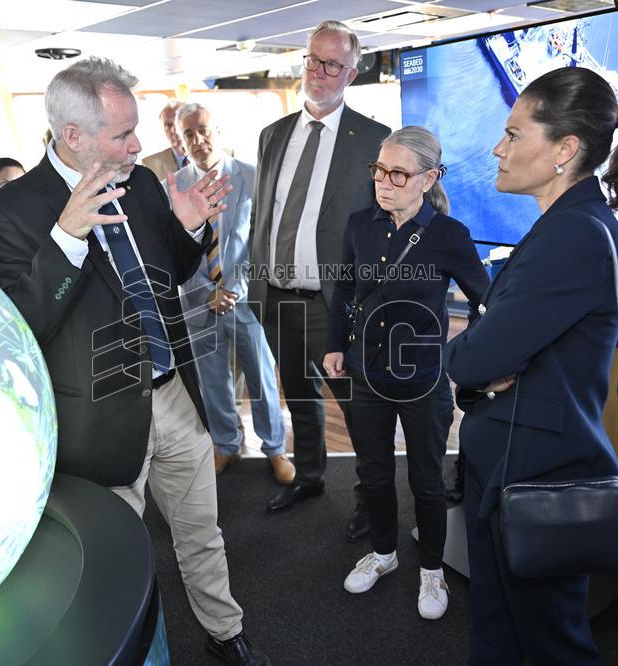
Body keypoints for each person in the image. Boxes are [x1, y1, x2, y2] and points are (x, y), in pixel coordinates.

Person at [0, 56, 270, 666]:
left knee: (201, 533)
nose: (139, 145)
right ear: (73, 135)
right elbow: (21, 326)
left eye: (136, 130)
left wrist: (187, 229)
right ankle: (144, 647)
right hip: (101, 418)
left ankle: (224, 632)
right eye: (123, 134)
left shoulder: (137, 183)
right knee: (115, 558)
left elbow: (170, 274)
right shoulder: (9, 212)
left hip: (173, 394)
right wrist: (65, 239)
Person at [443, 66, 618, 664]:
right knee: (501, 630)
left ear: (564, 150)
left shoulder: (574, 236)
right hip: (514, 458)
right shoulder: (567, 227)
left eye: (514, 134)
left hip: (535, 469)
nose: (498, 146)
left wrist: (472, 352)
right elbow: (496, 350)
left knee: (549, 644)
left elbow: (475, 357)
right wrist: (487, 352)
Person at [322, 126, 488, 620]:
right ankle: (384, 553)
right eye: (379, 170)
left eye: (399, 173)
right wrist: (335, 346)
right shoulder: (358, 225)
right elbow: (345, 292)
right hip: (366, 376)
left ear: (428, 178)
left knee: (427, 482)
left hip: (423, 381)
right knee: (372, 475)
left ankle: (432, 570)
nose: (384, 181)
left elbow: (488, 302)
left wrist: (465, 355)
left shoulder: (450, 236)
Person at [248, 20, 390, 539]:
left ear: (351, 73)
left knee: (356, 408)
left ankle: (371, 499)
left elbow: (384, 228)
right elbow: (262, 215)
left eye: (333, 64)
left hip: (335, 305)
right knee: (298, 396)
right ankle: (309, 476)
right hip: (276, 297)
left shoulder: (375, 141)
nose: (320, 72)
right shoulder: (272, 135)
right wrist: (255, 285)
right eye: (313, 59)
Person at [170, 102, 292, 482]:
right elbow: (172, 249)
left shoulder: (254, 178)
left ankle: (275, 449)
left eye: (204, 129)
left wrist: (234, 287)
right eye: (189, 133)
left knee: (262, 377)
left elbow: (266, 243)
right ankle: (226, 445)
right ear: (180, 140)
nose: (198, 139)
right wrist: (206, 292)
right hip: (198, 301)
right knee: (212, 381)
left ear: (219, 130)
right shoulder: (171, 189)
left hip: (247, 299)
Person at [142, 100, 188, 182]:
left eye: (178, 123)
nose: (174, 130)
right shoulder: (150, 166)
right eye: (168, 125)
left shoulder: (211, 157)